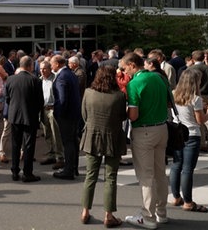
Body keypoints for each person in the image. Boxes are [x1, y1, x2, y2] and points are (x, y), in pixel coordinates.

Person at [120, 52, 170, 229]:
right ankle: (161, 212)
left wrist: (122, 110)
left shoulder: (135, 83)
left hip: (144, 131)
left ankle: (148, 217)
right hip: (162, 127)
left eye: (125, 68)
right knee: (160, 173)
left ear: (133, 65)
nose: (124, 71)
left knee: (146, 176)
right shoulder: (159, 78)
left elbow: (133, 115)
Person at [79, 66, 127, 227]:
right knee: (111, 177)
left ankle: (85, 211)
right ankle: (109, 215)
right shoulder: (119, 96)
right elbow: (122, 117)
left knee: (90, 176)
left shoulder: (88, 93)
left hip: (92, 136)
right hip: (113, 137)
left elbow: (84, 115)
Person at [170, 68, 208, 212]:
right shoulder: (196, 99)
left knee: (176, 166)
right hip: (192, 134)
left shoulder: (174, 94)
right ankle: (188, 201)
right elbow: (200, 121)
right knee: (187, 169)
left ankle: (176, 197)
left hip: (177, 132)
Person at [4, 56, 44, 183]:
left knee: (15, 144)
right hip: (30, 116)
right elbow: (40, 102)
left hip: (14, 116)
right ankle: (27, 173)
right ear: (30, 66)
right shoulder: (35, 80)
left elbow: (7, 99)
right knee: (28, 145)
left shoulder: (10, 79)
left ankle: (15, 171)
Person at [50, 55, 82, 180]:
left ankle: (68, 170)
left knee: (68, 142)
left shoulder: (62, 77)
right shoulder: (71, 74)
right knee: (73, 141)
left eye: (52, 63)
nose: (51, 66)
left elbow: (62, 99)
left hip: (66, 115)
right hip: (74, 113)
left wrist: (58, 113)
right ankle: (73, 167)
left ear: (57, 63)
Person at [38, 60, 65, 170]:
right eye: (41, 69)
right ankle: (51, 154)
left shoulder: (55, 79)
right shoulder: (39, 80)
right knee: (47, 133)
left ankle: (60, 158)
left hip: (53, 109)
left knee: (56, 134)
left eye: (44, 68)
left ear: (50, 69)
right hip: (43, 110)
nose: (42, 71)